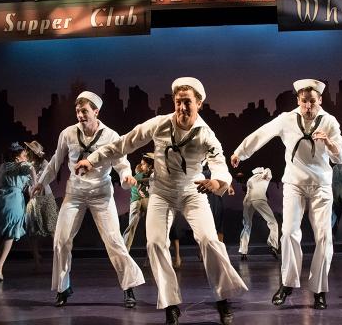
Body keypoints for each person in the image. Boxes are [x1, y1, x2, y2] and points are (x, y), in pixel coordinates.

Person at [76, 77, 248, 325]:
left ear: (198, 103)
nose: (182, 107)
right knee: (155, 243)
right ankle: (170, 303)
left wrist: (217, 183)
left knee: (209, 240)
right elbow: (125, 142)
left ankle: (222, 298)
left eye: (187, 102)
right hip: (162, 191)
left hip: (193, 190)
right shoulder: (159, 124)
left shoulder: (206, 135)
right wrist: (92, 160)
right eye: (178, 102)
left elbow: (219, 164)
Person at [231, 78, 342, 310]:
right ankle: (288, 283)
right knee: (289, 233)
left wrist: (330, 143)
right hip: (294, 184)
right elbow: (262, 133)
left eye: (312, 102)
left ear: (320, 101)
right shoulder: (287, 119)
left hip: (321, 186)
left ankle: (319, 289)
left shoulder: (329, 122)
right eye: (304, 102)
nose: (308, 107)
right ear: (298, 101)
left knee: (324, 237)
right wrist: (240, 153)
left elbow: (341, 157)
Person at [33, 91, 144, 307]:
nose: (80, 115)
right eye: (77, 111)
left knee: (114, 240)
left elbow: (121, 163)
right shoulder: (68, 134)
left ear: (96, 111)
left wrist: (126, 177)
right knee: (61, 240)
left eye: (84, 111)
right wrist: (41, 181)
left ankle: (128, 287)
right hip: (75, 193)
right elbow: (56, 161)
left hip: (101, 193)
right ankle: (63, 288)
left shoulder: (111, 136)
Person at [0, 142, 37, 281]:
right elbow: (30, 169)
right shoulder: (18, 165)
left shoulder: (6, 166)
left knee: (4, 231)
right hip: (13, 198)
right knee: (11, 231)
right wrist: (34, 182)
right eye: (24, 154)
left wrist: (31, 189)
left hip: (3, 197)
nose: (26, 156)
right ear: (17, 157)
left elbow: (26, 182)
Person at [24, 140, 58, 271]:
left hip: (45, 198)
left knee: (52, 228)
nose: (26, 151)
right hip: (33, 199)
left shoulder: (44, 164)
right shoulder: (28, 165)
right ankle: (36, 260)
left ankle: (58, 258)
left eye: (29, 150)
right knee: (32, 231)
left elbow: (47, 179)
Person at [239, 167, 279, 261]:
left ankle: (243, 251)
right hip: (259, 199)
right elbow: (267, 172)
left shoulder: (250, 179)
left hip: (247, 201)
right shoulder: (265, 174)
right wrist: (265, 172)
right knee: (273, 223)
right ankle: (273, 246)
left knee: (247, 226)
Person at [123, 153, 154, 251]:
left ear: (150, 165)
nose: (141, 166)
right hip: (138, 201)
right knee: (132, 226)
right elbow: (136, 182)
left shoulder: (152, 175)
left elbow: (152, 180)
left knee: (150, 228)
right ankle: (125, 252)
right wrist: (139, 186)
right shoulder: (139, 175)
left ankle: (150, 255)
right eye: (141, 164)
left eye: (143, 164)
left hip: (144, 201)